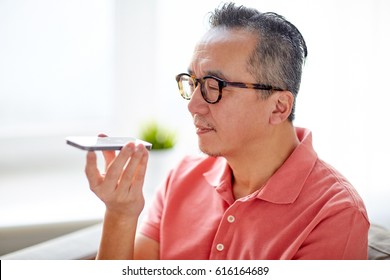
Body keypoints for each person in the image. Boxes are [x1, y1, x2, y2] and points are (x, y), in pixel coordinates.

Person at [85, 2, 369, 260]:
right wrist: (121, 214)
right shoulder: (181, 178)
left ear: (279, 107)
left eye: (214, 86)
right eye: (194, 83)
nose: (194, 105)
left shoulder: (336, 213)